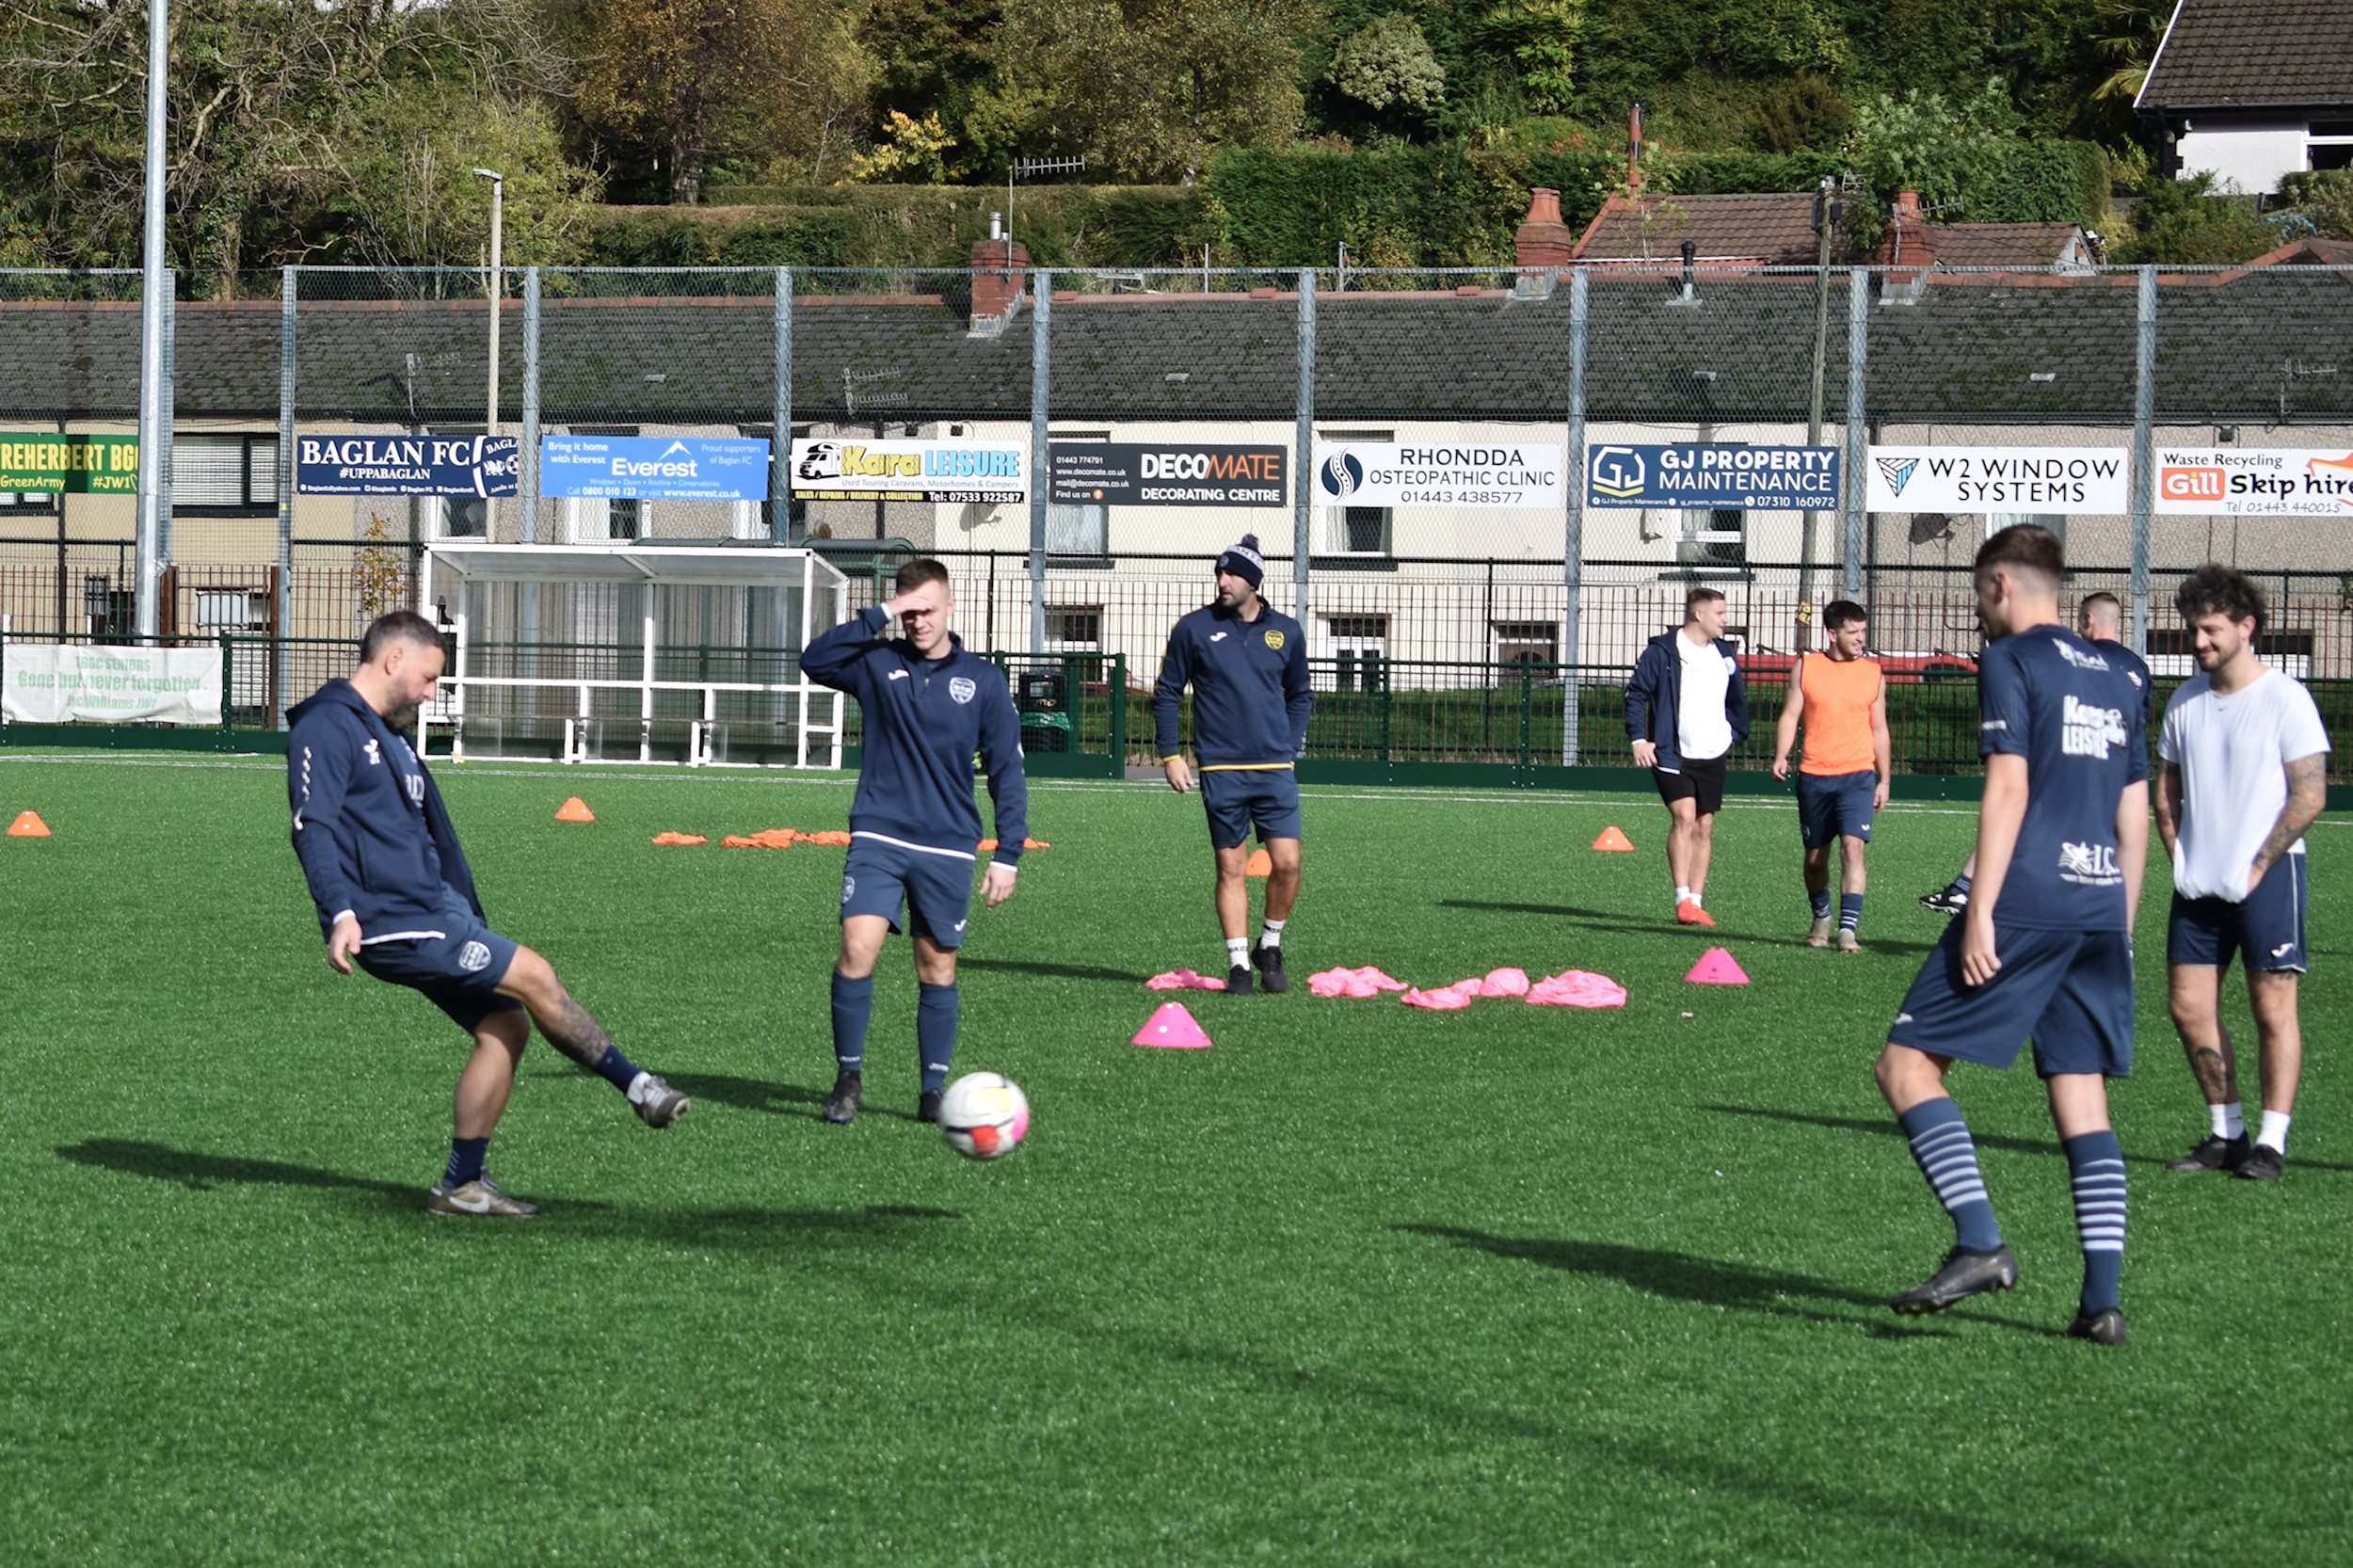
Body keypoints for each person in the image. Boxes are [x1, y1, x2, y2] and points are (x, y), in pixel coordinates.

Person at [286, 612, 690, 1219]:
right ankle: (639, 1087)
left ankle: (461, 1184)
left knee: (506, 1025)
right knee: (535, 975)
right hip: (393, 920)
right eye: (428, 679)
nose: (431, 695)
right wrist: (339, 911)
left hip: (432, 911)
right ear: (393, 661)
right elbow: (311, 826)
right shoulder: (327, 725)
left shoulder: (387, 735)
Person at [1871, 525, 2148, 1346]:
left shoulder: (2010, 659)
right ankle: (2101, 1303)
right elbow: (2133, 813)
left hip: (2027, 898)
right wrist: (2121, 925)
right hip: (2099, 904)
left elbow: (2009, 788)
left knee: (1906, 1066)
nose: (1978, 611)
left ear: (2000, 584)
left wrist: (1979, 907)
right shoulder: (2123, 673)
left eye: (1977, 594)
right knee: (2082, 1097)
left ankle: (1981, 1243)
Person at [802, 558, 1028, 1125]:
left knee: (937, 970)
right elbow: (815, 659)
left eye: (927, 609)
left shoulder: (983, 680)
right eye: (908, 612)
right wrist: (881, 612)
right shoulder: (878, 663)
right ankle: (848, 1079)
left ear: (950, 606)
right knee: (857, 950)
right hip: (878, 834)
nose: (918, 621)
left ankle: (932, 1092)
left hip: (948, 845)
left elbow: (1006, 770)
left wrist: (1008, 854)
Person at [2154, 565, 2329, 1182]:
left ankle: (2271, 1144)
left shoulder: (2285, 698)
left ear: (2246, 626)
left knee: (2271, 1008)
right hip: (2198, 884)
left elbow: (2310, 795)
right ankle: (2227, 1134)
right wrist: (2179, 854)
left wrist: (2257, 864)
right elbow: (2166, 788)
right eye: (2192, 630)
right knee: (2188, 1006)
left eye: (2211, 629)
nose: (2198, 641)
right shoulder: (2184, 700)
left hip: (2268, 878)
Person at [1922, 591, 2150, 916]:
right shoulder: (2137, 668)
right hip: (2112, 769)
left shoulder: (2077, 659)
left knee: (2018, 816)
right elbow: (2135, 727)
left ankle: (1972, 894)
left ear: (2088, 620)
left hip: (2064, 762)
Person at [1153, 534, 1313, 994]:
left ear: (1254, 582)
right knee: (1231, 867)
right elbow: (1167, 693)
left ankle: (1270, 944)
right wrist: (1170, 755)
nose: (1222, 581)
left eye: (1232, 574)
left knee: (1288, 863)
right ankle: (1240, 963)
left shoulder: (1287, 631)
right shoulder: (1193, 628)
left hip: (1275, 770)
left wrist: (1289, 746)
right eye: (1219, 573)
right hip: (1221, 770)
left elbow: (1300, 695)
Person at [1625, 585, 1751, 927]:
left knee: (1704, 825)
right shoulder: (1663, 651)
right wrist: (1639, 739)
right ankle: (1682, 899)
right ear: (1699, 614)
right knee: (1684, 816)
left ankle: (1696, 902)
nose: (1725, 619)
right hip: (1672, 751)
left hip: (1713, 751)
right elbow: (1637, 693)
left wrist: (1733, 730)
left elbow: (1735, 697)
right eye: (1720, 613)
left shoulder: (1723, 653)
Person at [1770, 600, 1891, 952]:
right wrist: (1781, 755)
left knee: (1853, 850)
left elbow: (1879, 729)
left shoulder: (1873, 673)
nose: (1860, 638)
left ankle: (1847, 929)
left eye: (1863, 631)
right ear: (1832, 634)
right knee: (1815, 859)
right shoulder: (1807, 666)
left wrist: (1884, 779)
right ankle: (1821, 915)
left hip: (1858, 776)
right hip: (1814, 776)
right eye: (1853, 632)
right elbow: (1790, 715)